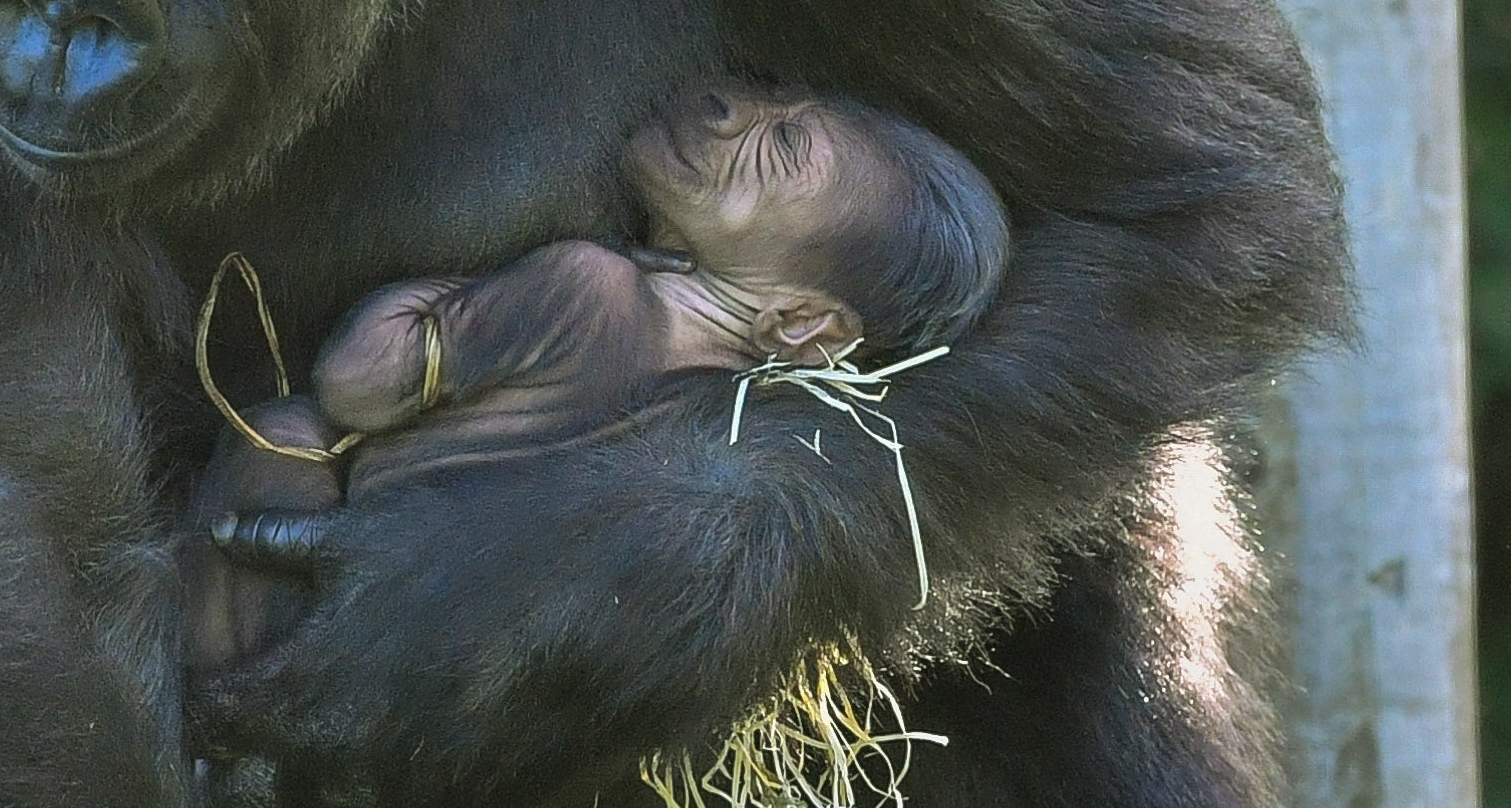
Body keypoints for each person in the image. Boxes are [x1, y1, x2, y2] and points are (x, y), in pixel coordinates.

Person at [184, 86, 1010, 668]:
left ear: (801, 324)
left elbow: (356, 387)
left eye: (783, 145)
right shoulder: (728, 426)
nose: (730, 110)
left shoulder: (588, 289)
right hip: (469, 691)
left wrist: (452, 294)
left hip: (313, 639)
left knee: (289, 430)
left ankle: (192, 670)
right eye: (772, 99)